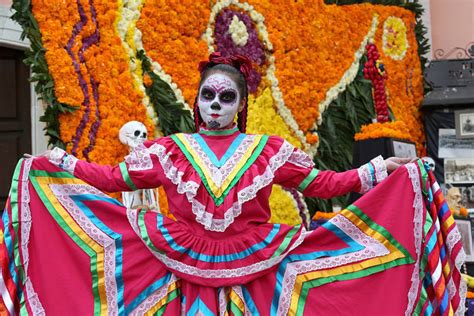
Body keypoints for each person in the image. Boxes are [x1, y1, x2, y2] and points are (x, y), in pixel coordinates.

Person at [1, 53, 465, 315]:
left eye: (227, 97)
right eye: (209, 96)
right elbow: (114, 179)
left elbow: (322, 185)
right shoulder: (170, 149)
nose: (216, 104)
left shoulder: (268, 149)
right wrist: (63, 164)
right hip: (177, 262)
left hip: (258, 266)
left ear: (240, 105)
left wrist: (376, 172)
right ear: (197, 101)